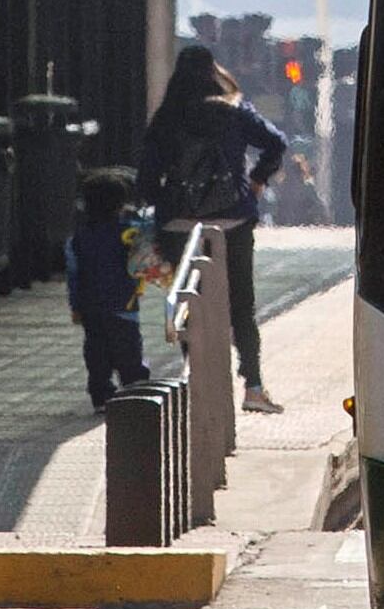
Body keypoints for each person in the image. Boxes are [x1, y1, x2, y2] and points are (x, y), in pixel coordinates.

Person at [138, 44, 293, 414]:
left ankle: (197, 379)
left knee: (188, 301)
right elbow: (277, 143)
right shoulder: (234, 111)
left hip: (178, 224)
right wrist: (256, 181)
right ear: (212, 72)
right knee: (242, 304)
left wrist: (166, 203)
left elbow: (145, 180)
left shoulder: (167, 117)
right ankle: (253, 387)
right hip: (233, 220)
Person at [67, 167, 151, 409]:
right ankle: (135, 391)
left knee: (96, 353)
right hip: (123, 304)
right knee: (129, 354)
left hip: (90, 307)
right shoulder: (129, 233)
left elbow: (74, 274)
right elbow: (140, 265)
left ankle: (101, 393)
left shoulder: (79, 237)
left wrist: (75, 306)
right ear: (119, 204)